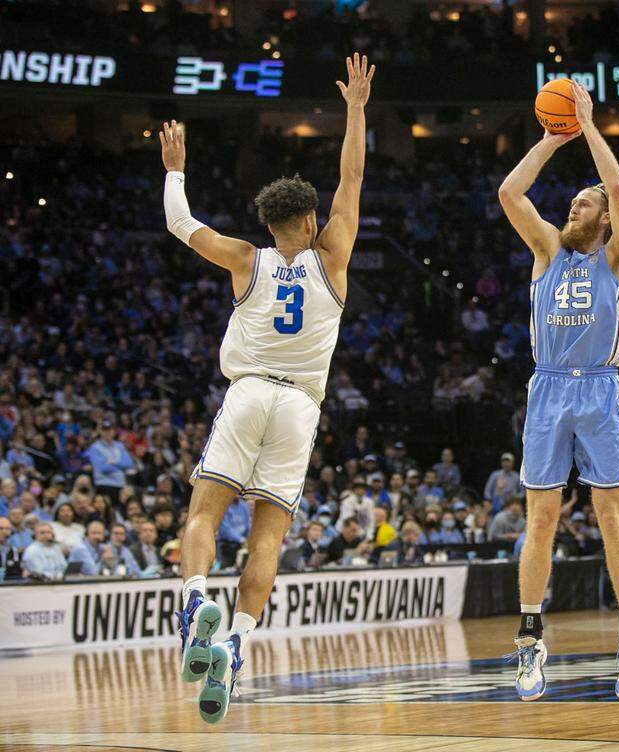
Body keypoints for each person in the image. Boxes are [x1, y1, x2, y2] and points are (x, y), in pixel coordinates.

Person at [159, 53, 374, 724]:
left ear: (269, 224)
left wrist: (174, 170)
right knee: (267, 540)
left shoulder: (245, 259)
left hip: (249, 393)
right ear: (310, 223)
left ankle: (197, 604)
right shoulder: (332, 257)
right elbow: (353, 175)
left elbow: (180, 223)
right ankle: (237, 642)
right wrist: (357, 108)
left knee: (201, 516)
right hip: (299, 409)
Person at [499, 81, 619, 701]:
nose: (572, 209)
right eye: (573, 203)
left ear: (604, 220)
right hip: (549, 391)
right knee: (542, 518)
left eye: (582, 205)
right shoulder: (545, 250)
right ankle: (531, 641)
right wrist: (551, 140)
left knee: (612, 515)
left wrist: (588, 128)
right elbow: (510, 192)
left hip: (600, 392)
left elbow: (616, 190)